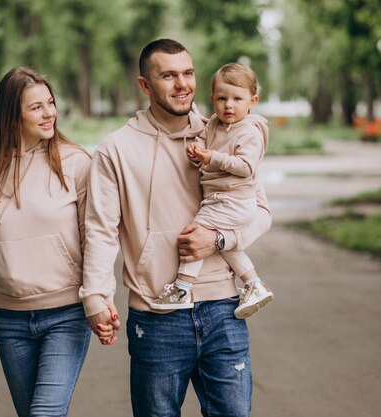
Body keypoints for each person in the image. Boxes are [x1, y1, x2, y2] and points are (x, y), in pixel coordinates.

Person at [79, 39, 272, 417]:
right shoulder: (116, 149)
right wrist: (95, 297)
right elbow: (100, 229)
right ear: (145, 85)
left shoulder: (225, 134)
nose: (182, 84)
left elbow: (259, 210)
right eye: (168, 75)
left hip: (223, 310)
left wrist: (217, 240)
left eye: (188, 73)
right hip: (156, 313)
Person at [0, 67, 104, 417]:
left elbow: (96, 236)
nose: (49, 112)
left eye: (51, 103)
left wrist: (99, 294)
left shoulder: (75, 162)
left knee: (45, 413)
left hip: (66, 313)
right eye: (36, 107)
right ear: (12, 114)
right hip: (8, 317)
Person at [150, 62, 274, 319]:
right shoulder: (215, 124)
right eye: (222, 98)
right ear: (212, 99)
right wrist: (196, 153)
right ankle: (253, 284)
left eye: (237, 99)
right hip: (218, 199)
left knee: (196, 235)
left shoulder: (250, 131)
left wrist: (212, 158)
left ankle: (182, 287)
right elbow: (204, 144)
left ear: (252, 101)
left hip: (236, 200)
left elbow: (245, 167)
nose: (229, 105)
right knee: (222, 245)